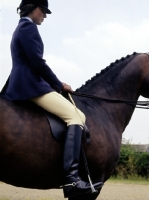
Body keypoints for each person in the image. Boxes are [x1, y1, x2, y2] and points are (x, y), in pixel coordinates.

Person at [0, 0, 102, 198]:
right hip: (31, 85)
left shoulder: (20, 28)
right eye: (43, 10)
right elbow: (38, 63)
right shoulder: (28, 28)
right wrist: (59, 85)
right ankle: (72, 178)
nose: (45, 15)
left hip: (21, 83)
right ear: (32, 8)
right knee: (76, 116)